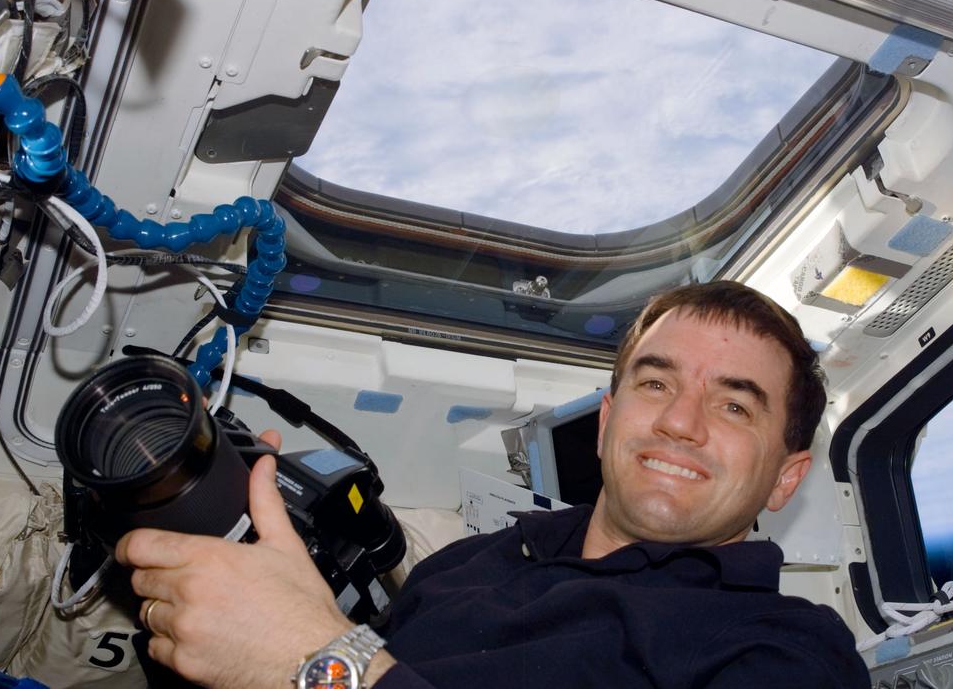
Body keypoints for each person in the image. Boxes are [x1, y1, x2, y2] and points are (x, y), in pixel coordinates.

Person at [116, 281, 871, 688]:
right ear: (607, 421)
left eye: (735, 404)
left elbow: (318, 666)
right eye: (654, 382)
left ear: (786, 476)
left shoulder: (791, 653)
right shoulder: (472, 563)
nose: (681, 421)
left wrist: (319, 663)